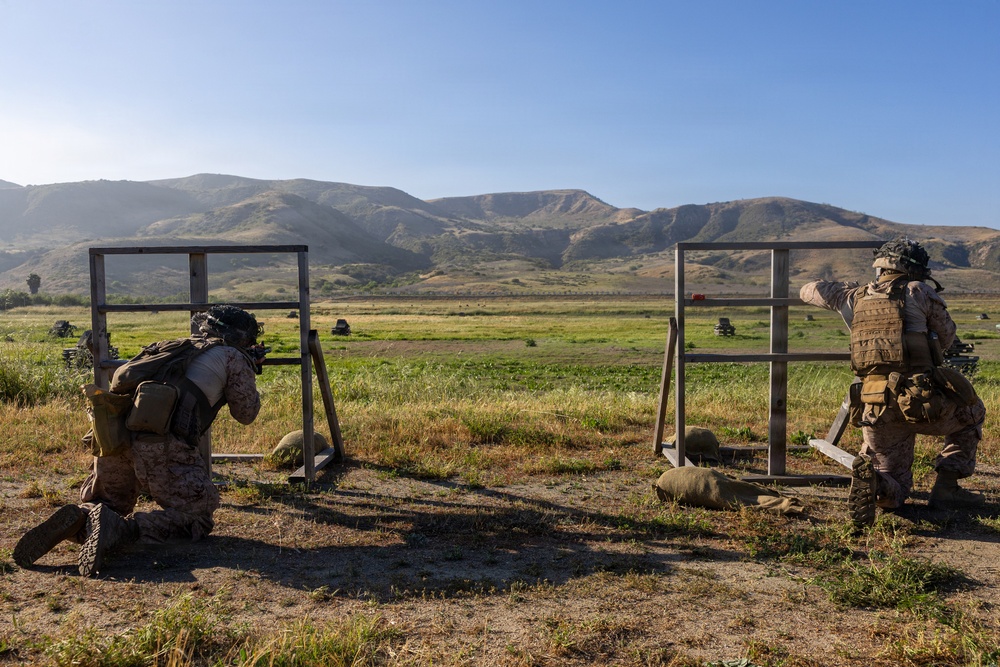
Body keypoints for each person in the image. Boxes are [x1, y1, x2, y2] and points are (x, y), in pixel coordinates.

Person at [14, 305, 265, 575]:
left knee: (109, 504)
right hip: (160, 445)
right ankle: (123, 530)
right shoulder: (232, 357)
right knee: (197, 515)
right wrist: (251, 365)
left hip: (113, 437)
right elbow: (246, 414)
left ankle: (81, 517)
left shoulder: (173, 347)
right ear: (243, 339)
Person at [800, 238, 986, 527]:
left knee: (895, 486)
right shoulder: (919, 291)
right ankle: (947, 489)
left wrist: (849, 285)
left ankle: (879, 486)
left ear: (880, 266)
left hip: (875, 405)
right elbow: (947, 337)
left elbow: (808, 290)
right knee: (973, 413)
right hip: (924, 402)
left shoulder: (853, 297)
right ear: (916, 270)